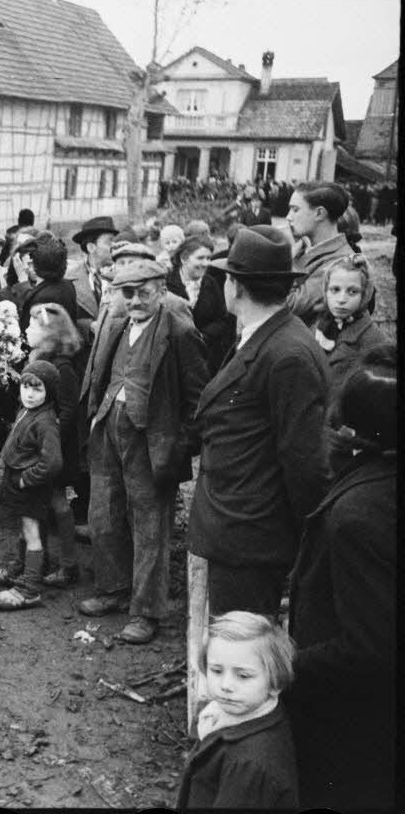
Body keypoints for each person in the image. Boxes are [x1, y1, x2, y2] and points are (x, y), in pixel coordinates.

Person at [189, 228, 330, 617]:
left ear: (235, 285)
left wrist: (305, 545)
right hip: (238, 528)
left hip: (252, 538)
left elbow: (304, 463)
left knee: (243, 648)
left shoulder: (287, 354)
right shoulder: (263, 337)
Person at [284, 344, 395, 811]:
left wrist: (287, 664)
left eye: (337, 425)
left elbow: (370, 646)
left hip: (348, 723)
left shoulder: (356, 517)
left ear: (357, 435)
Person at [77, 259, 208, 644]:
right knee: (103, 513)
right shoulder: (116, 326)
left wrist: (180, 445)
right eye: (126, 293)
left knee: (149, 525)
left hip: (152, 443)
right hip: (108, 431)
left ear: (162, 290)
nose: (133, 300)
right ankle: (113, 589)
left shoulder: (180, 333)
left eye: (142, 292)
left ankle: (146, 610)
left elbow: (199, 400)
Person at [0, 303, 83, 590]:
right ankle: (38, 564)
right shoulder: (40, 357)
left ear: (49, 332)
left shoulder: (61, 368)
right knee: (44, 507)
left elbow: (66, 412)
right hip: (42, 448)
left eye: (32, 326)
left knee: (57, 506)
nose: (26, 330)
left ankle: (66, 565)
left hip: (52, 450)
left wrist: (41, 443)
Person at [178, 611, 300, 809]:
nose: (226, 685)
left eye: (243, 676)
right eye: (216, 671)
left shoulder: (250, 765)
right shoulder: (220, 712)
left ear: (275, 683)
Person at [0, 360, 63, 611]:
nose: (29, 394)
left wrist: (26, 478)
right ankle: (22, 569)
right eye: (25, 387)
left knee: (32, 533)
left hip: (30, 486)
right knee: (24, 528)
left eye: (37, 389)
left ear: (49, 392)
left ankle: (29, 589)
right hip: (19, 483)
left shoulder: (46, 422)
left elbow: (52, 463)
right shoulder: (27, 410)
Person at [286, 181, 369, 325]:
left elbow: (288, 306)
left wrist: (286, 261)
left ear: (319, 214)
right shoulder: (304, 247)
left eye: (295, 210)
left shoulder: (339, 262)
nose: (288, 217)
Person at [311, 253, 386, 402]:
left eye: (352, 292)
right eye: (335, 290)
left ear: (364, 294)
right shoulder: (320, 327)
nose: (341, 300)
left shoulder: (373, 340)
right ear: (325, 291)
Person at [166, 236, 233, 375]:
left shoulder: (211, 283)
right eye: (200, 258)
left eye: (208, 258)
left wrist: (202, 336)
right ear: (184, 258)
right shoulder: (167, 284)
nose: (206, 263)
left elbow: (222, 319)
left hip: (206, 358)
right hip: (174, 357)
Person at [65, 216, 118, 342]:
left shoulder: (124, 276)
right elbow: (65, 318)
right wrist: (88, 327)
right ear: (91, 247)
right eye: (109, 242)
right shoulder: (69, 279)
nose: (114, 246)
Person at [18, 232, 78, 332]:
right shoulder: (68, 285)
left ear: (34, 265)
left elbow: (36, 331)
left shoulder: (44, 297)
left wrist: (23, 284)